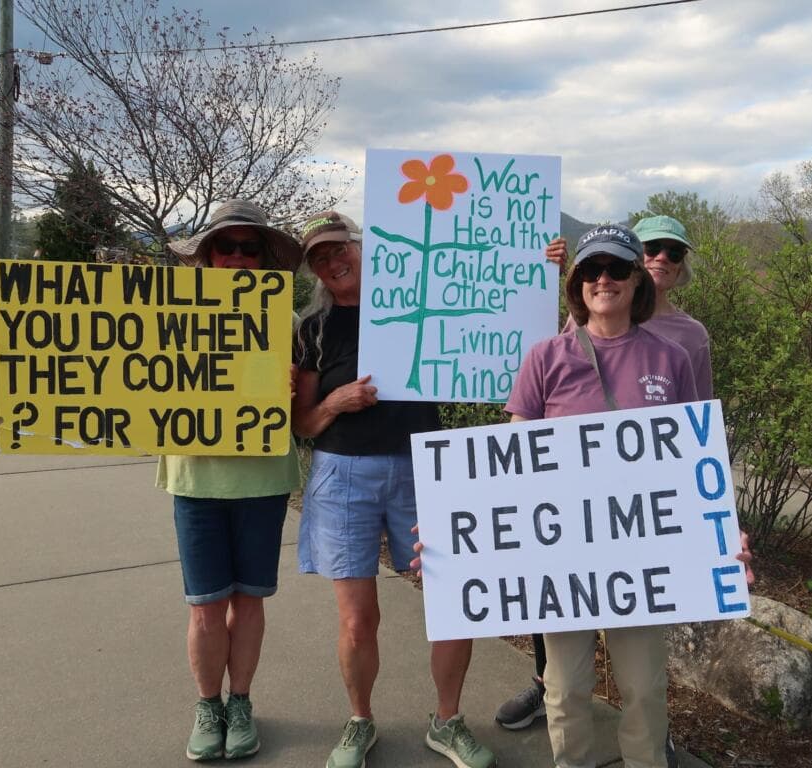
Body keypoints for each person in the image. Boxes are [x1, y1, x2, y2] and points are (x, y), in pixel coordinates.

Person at [496, 217, 752, 734]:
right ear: (578, 283)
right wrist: (463, 531)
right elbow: (511, 461)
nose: (604, 278)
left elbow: (696, 452)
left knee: (644, 689)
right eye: (592, 268)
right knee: (565, 689)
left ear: (637, 280)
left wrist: (722, 531)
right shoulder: (546, 356)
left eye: (617, 268)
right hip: (563, 549)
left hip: (641, 551)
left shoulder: (673, 356)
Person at [292, 211, 496, 768]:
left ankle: (448, 722)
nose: (333, 261)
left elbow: (496, 312)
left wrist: (543, 269)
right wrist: (336, 402)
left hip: (423, 468)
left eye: (341, 249)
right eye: (320, 257)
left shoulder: (423, 304)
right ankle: (360, 720)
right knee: (358, 620)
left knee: (453, 604)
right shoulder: (313, 328)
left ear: (365, 248)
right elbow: (303, 423)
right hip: (342, 477)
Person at [161, 199, 304, 761]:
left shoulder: (287, 324)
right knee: (202, 605)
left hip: (264, 480)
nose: (239, 257)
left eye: (251, 248)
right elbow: (115, 369)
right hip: (195, 478)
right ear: (206, 255)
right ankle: (207, 704)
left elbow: (308, 412)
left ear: (264, 258)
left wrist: (296, 389)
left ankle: (239, 701)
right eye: (228, 246)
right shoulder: (170, 314)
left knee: (248, 602)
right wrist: (29, 355)